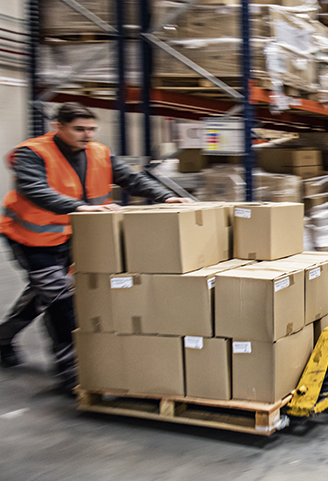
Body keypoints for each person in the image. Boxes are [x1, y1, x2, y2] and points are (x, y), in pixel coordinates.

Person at [0, 102, 192, 393]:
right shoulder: (33, 153)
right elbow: (34, 189)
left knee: (42, 295)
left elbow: (131, 179)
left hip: (72, 236)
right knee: (61, 301)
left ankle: (3, 338)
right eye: (79, 129)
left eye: (91, 129)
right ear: (59, 127)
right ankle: (73, 373)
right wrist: (80, 207)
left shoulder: (100, 152)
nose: (87, 135)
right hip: (31, 238)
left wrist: (165, 197)